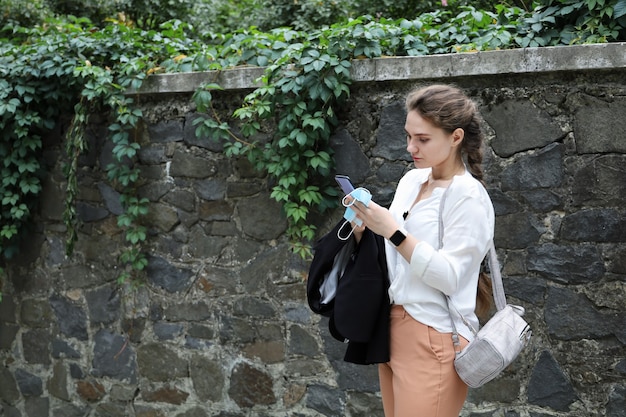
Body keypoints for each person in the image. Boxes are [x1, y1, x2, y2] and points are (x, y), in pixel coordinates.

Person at [348, 84, 495, 417]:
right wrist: (366, 229)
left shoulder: (467, 196)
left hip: (435, 334)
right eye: (408, 136)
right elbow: (396, 259)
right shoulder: (411, 181)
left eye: (423, 139)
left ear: (456, 137)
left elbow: (450, 277)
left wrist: (393, 231)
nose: (411, 147)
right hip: (392, 327)